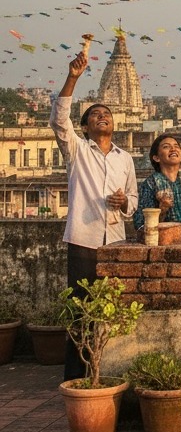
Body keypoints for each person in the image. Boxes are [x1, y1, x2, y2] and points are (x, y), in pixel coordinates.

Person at [51, 50, 137, 380]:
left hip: (115, 239)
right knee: (81, 309)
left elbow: (132, 198)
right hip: (83, 239)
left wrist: (123, 202)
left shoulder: (124, 158)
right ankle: (77, 377)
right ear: (86, 126)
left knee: (112, 310)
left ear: (114, 124)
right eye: (95, 115)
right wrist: (73, 77)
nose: (103, 116)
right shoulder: (77, 151)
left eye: (107, 114)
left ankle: (108, 371)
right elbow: (59, 121)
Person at [134, 134, 181, 240]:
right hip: (164, 244)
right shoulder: (150, 184)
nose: (173, 149)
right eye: (166, 146)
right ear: (156, 158)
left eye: (176, 146)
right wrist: (162, 210)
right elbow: (140, 224)